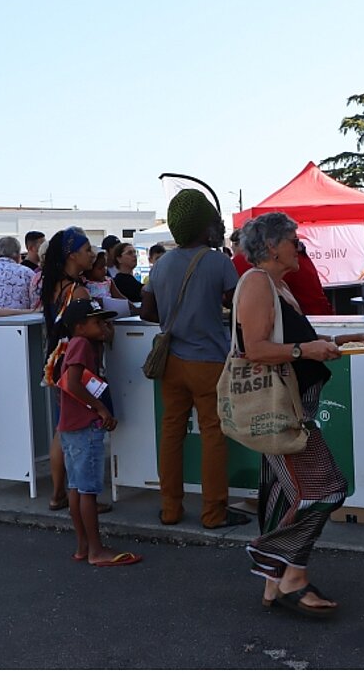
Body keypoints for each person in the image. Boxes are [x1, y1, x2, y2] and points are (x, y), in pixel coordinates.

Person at [235, 212, 364, 618]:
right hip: (281, 411)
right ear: (271, 246)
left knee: (282, 492)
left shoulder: (276, 285)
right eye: (294, 240)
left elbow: (295, 341)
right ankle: (288, 572)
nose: (300, 247)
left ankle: (273, 581)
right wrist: (306, 351)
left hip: (290, 407)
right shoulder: (257, 283)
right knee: (326, 489)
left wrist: (345, 339)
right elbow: (255, 349)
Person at [139, 189, 248, 529]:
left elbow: (147, 312)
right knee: (213, 434)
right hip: (209, 362)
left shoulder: (162, 264)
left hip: (171, 362)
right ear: (204, 227)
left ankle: (170, 508)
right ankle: (213, 512)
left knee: (172, 431)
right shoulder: (218, 261)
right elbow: (239, 303)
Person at [56, 299, 143, 567]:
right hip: (85, 426)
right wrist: (101, 410)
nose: (103, 326)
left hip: (69, 427)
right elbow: (73, 383)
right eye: (97, 322)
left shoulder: (75, 344)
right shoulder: (81, 345)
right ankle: (96, 549)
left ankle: (83, 545)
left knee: (75, 487)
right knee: (88, 491)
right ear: (80, 326)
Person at [39, 227, 99, 511]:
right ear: (73, 255)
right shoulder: (79, 291)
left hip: (55, 362)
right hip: (76, 366)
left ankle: (59, 494)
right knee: (77, 434)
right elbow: (90, 331)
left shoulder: (52, 285)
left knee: (62, 430)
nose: (92, 254)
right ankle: (82, 496)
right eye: (87, 250)